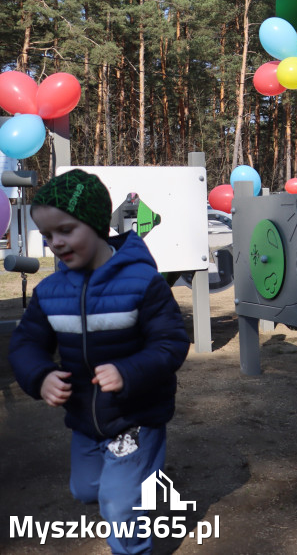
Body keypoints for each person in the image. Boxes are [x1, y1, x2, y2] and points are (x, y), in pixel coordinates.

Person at [8, 169, 189, 555]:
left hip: (134, 416)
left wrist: (129, 370)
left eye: (66, 230)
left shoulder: (143, 282)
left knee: (118, 505)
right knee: (85, 489)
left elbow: (170, 342)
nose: (56, 242)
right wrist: (39, 376)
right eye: (47, 235)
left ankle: (133, 540)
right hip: (84, 420)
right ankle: (134, 485)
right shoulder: (51, 292)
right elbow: (25, 343)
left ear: (94, 223)